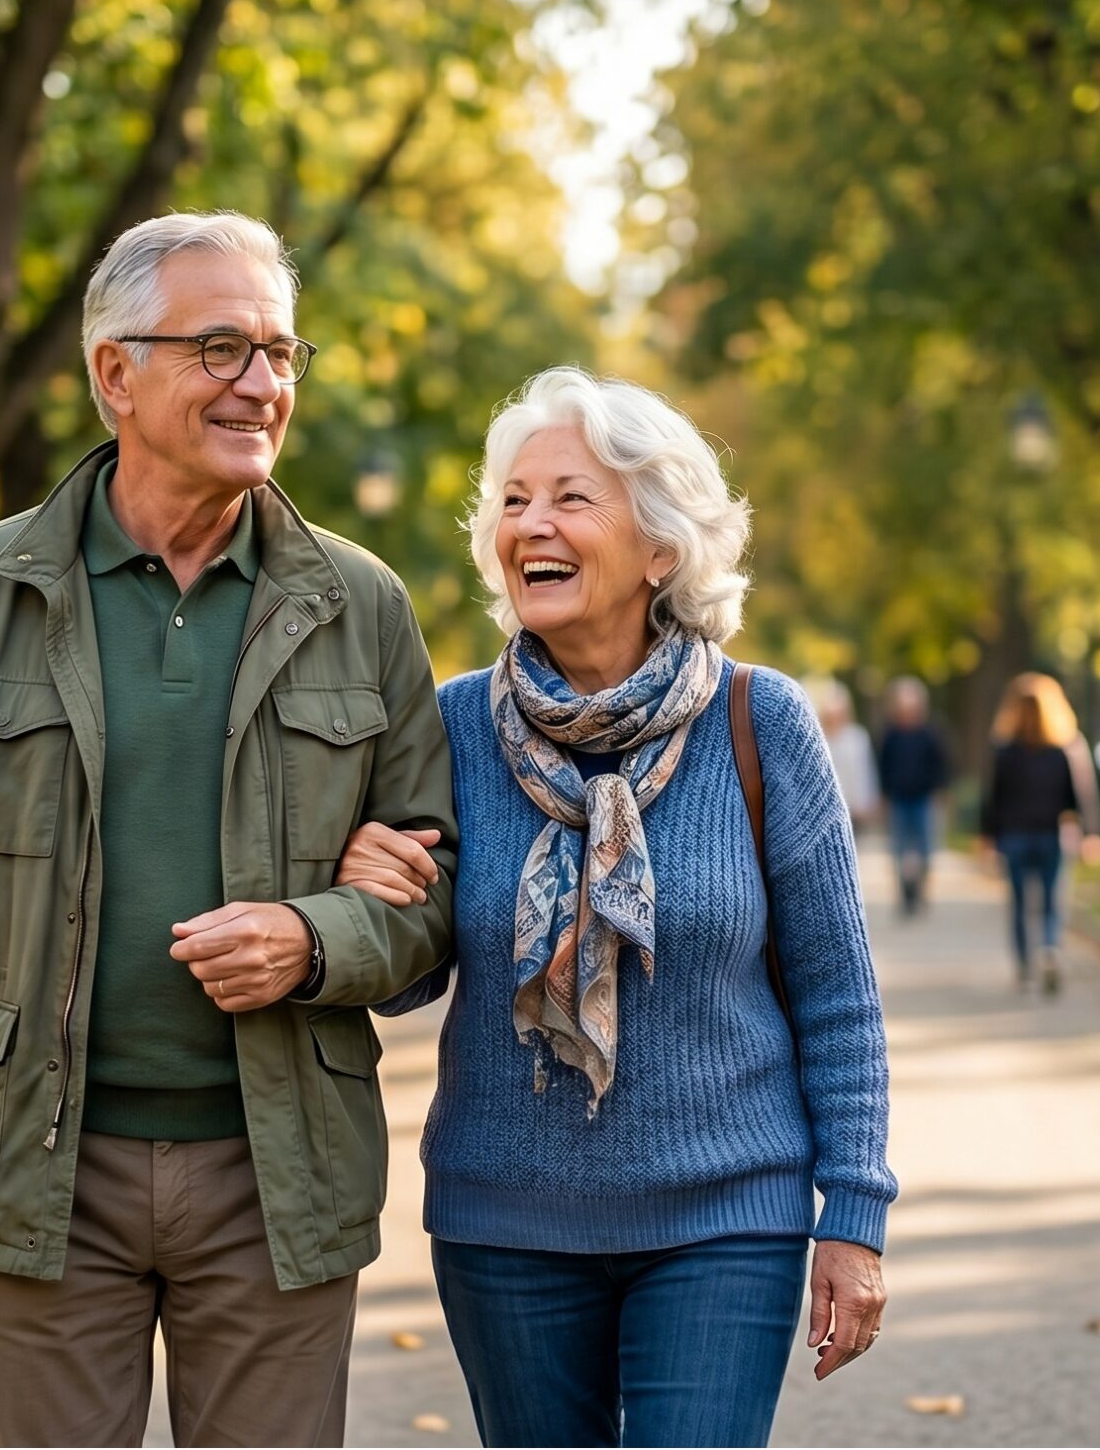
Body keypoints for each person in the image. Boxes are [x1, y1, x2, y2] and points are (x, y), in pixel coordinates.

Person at [0, 212, 457, 1449]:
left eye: (277, 352)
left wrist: (316, 939)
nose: (261, 383)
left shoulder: (360, 605)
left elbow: (436, 894)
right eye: (221, 348)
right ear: (116, 372)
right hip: (34, 1164)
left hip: (280, 1168)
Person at [333, 367, 894, 1448]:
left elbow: (838, 995)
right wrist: (373, 886)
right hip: (505, 1224)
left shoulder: (759, 720)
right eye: (513, 500)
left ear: (661, 545)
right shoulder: (449, 726)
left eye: (569, 497)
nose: (529, 523)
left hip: (726, 1216)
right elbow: (409, 979)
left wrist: (855, 1216)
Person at [978, 673, 1100, 996]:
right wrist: (1091, 833)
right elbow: (1081, 795)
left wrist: (986, 836)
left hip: (1015, 836)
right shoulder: (1065, 748)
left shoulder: (1005, 750)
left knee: (1019, 903)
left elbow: (993, 797)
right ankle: (1049, 947)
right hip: (1053, 835)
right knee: (1051, 902)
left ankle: (1024, 966)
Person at [874, 677, 949, 917]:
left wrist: (940, 793)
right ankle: (904, 893)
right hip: (898, 800)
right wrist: (883, 797)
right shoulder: (890, 734)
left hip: (924, 799)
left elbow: (941, 766)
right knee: (898, 850)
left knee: (926, 850)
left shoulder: (931, 733)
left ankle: (920, 889)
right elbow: (882, 767)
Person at [805, 675, 880, 830]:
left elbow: (865, 771)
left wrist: (867, 801)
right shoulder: (815, 737)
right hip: (822, 808)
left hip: (852, 806)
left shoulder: (857, 737)